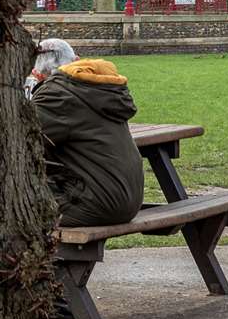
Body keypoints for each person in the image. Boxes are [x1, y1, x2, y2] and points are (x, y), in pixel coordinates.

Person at [30, 42, 144, 230]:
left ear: (36, 74)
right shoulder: (95, 88)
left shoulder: (57, 95)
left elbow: (21, 143)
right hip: (126, 200)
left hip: (94, 205)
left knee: (13, 203)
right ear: (76, 61)